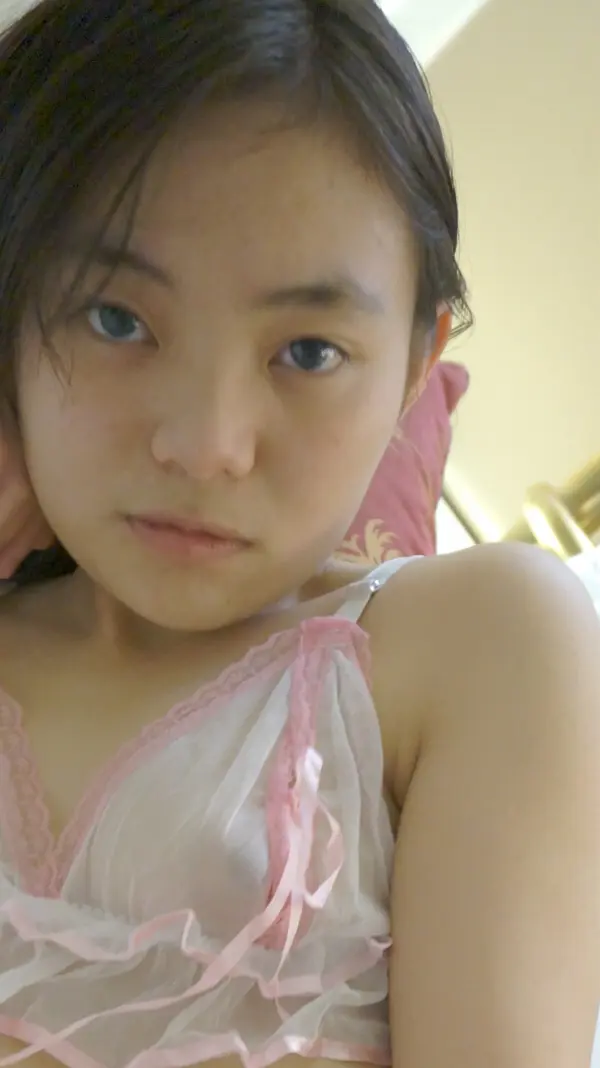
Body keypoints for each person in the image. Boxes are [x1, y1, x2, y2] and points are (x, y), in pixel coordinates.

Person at [0, 1, 598, 1066]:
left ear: (413, 370)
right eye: (116, 320)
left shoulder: (474, 644)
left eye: (310, 353)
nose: (207, 446)